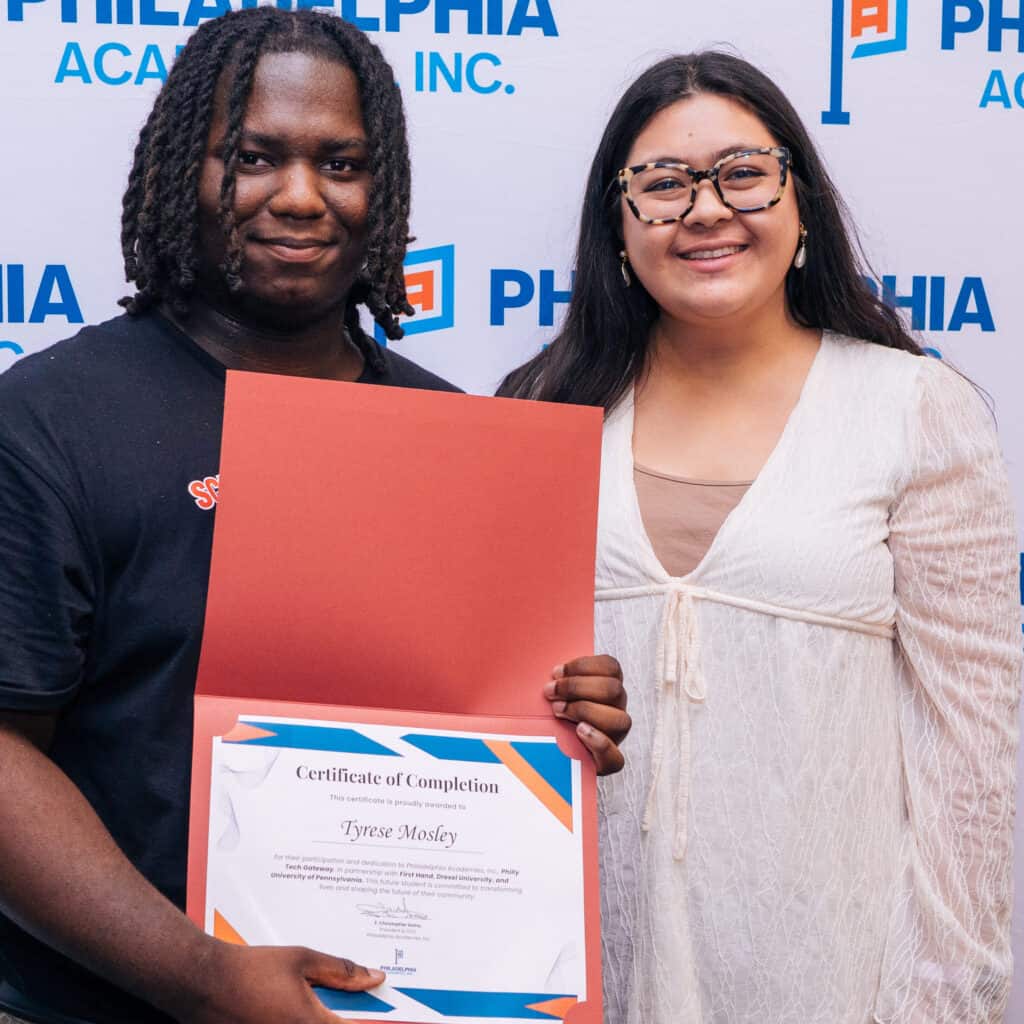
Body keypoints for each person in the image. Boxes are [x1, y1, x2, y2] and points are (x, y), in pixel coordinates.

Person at [0, 10, 630, 1024]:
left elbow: (473, 729)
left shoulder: (456, 438)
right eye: (252, 157)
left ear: (383, 194)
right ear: (183, 172)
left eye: (341, 163)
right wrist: (201, 976)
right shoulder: (49, 418)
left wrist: (559, 717)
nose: (299, 197)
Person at [501, 52, 1021, 1024]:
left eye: (742, 173)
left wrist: (944, 997)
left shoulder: (912, 409)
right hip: (575, 970)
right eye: (661, 184)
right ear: (616, 226)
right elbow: (475, 702)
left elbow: (971, 758)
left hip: (827, 975)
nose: (704, 210)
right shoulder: (539, 413)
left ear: (801, 205)